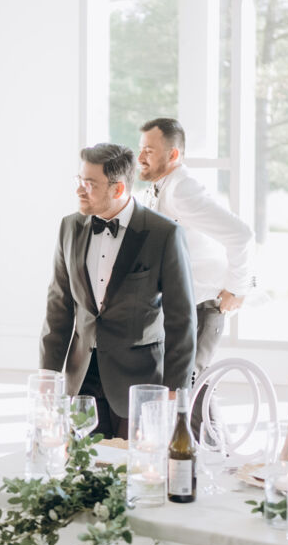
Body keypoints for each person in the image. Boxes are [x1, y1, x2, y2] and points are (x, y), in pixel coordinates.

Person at [40, 143, 196, 439]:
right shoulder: (69, 227)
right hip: (82, 378)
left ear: (118, 188)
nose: (80, 190)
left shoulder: (164, 234)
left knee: (132, 462)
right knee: (82, 461)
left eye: (90, 184)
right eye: (79, 180)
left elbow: (182, 319)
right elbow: (58, 305)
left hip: (139, 382)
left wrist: (175, 389)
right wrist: (48, 373)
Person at [138, 117, 256, 428]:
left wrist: (237, 288)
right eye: (141, 149)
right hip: (181, 307)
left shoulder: (182, 189)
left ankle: (217, 453)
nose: (141, 157)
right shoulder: (159, 187)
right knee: (188, 389)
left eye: (149, 150)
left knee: (189, 389)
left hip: (203, 306)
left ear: (173, 155)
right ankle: (196, 453)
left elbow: (241, 234)